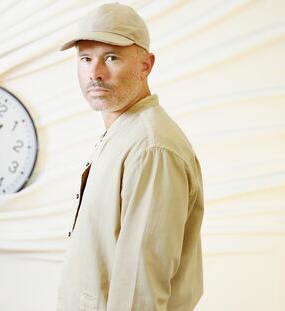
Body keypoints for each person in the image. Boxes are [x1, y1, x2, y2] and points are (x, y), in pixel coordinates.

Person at [56, 3, 204, 311]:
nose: (95, 73)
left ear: (145, 65)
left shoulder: (152, 149)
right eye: (85, 58)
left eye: (111, 58)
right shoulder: (124, 134)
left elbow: (142, 289)